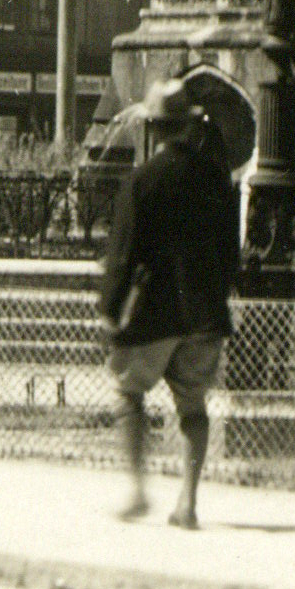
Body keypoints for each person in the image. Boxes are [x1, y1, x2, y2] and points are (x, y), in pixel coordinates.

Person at [96, 81, 239, 527]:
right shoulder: (218, 179)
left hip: (153, 314)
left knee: (129, 394)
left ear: (154, 129)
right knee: (193, 407)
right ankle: (188, 501)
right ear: (190, 126)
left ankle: (139, 491)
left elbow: (123, 254)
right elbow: (230, 254)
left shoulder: (142, 181)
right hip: (204, 314)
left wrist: (109, 306)